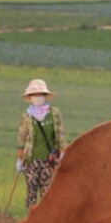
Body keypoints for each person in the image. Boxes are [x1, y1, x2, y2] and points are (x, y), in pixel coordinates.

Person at [15, 79, 66, 208]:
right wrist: (20, 159)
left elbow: (60, 135)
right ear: (30, 97)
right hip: (31, 161)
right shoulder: (26, 116)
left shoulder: (54, 114)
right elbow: (21, 139)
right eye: (34, 95)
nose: (37, 97)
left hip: (49, 161)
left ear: (44, 96)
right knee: (31, 194)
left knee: (47, 195)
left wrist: (63, 154)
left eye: (40, 94)